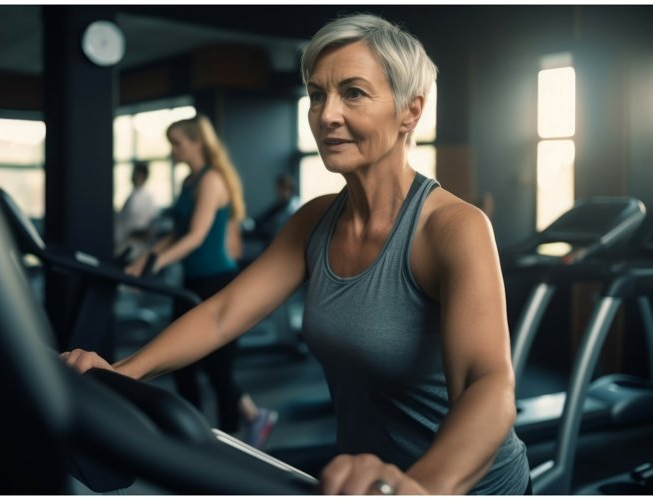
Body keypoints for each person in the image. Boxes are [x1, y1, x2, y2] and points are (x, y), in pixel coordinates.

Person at [63, 13, 530, 495]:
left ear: (410, 112)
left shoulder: (453, 228)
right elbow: (224, 314)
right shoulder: (316, 220)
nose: (326, 115)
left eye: (353, 92)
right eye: (316, 94)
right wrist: (119, 375)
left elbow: (487, 385)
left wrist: (423, 489)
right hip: (360, 484)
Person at [123, 115, 277, 449]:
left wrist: (155, 262)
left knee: (218, 370)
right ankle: (190, 436)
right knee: (180, 362)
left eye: (177, 143)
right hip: (191, 282)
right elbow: (177, 232)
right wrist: (146, 258)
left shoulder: (211, 181)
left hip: (216, 282)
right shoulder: (188, 182)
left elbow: (195, 236)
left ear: (197, 143)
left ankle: (233, 440)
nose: (173, 150)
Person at [114, 161, 159, 259]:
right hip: (122, 240)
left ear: (143, 176)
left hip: (136, 244)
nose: (133, 177)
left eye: (136, 174)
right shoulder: (131, 195)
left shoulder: (148, 198)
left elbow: (151, 226)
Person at [252, 173, 301, 245]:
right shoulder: (279, 205)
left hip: (288, 243)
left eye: (280, 188)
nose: (278, 191)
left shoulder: (295, 206)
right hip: (274, 242)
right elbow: (263, 218)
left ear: (288, 188)